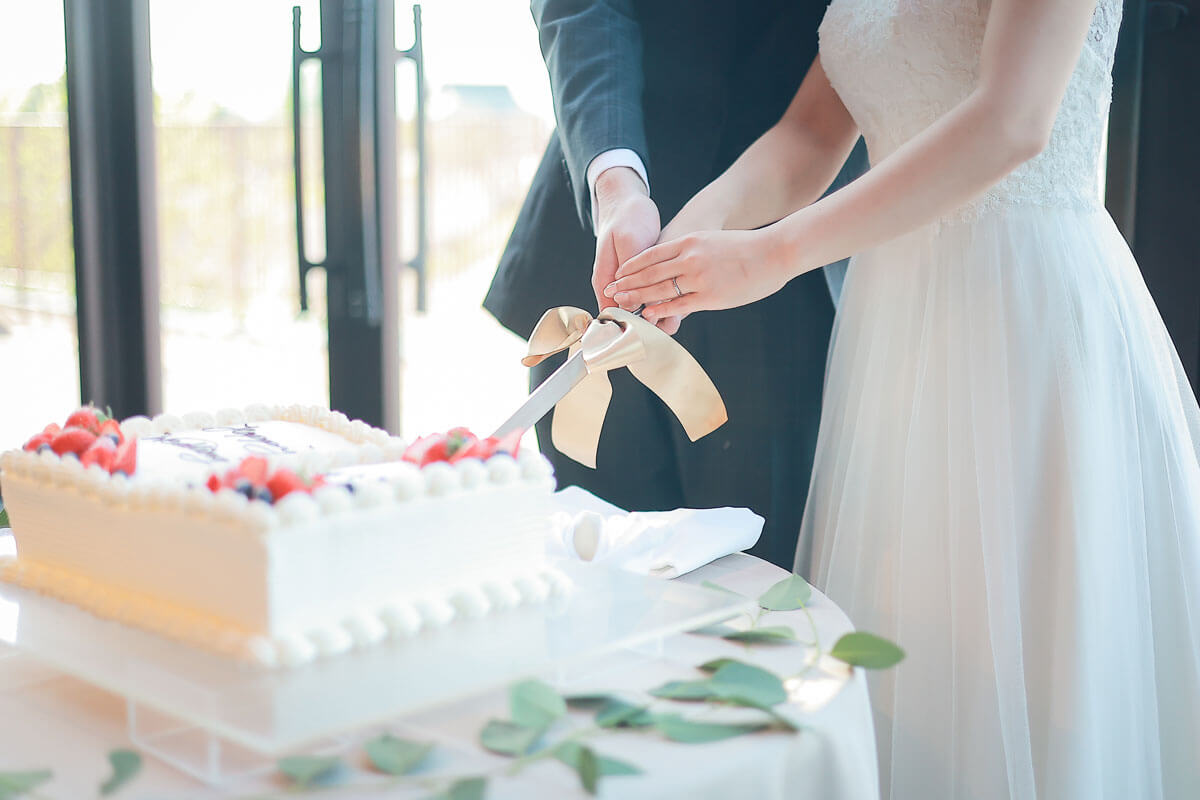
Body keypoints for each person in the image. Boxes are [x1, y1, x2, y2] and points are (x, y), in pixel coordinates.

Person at [607, 0, 1200, 797]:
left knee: (1031, 657)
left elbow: (1012, 121)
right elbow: (813, 134)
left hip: (1023, 317)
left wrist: (773, 254)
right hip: (893, 334)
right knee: (915, 641)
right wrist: (693, 235)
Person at [484, 1, 868, 571]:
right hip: (601, 246)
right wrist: (615, 183)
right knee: (585, 573)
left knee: (752, 597)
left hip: (787, 276)